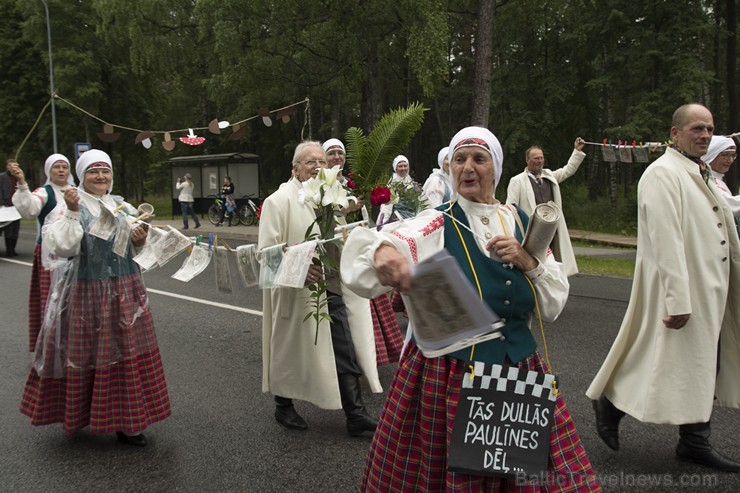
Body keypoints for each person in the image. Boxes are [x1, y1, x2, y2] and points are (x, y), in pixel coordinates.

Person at [342, 126, 599, 491]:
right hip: (450, 373)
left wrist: (530, 261)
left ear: (495, 167)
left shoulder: (522, 223)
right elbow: (386, 242)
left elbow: (554, 304)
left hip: (518, 372)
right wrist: (382, 252)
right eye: (459, 159)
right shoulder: (438, 220)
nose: (467, 167)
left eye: (478, 159)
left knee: (531, 473)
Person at [587, 104, 740, 472]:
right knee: (661, 357)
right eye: (696, 128)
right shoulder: (662, 173)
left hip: (712, 288)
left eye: (709, 129)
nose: (704, 135)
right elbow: (665, 239)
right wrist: (678, 298)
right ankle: (611, 404)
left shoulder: (698, 171)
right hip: (687, 289)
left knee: (702, 362)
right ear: (674, 134)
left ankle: (693, 442)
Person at [19, 149, 171, 447]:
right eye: (93, 171)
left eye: (105, 170)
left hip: (127, 290)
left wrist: (140, 240)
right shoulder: (70, 204)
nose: (100, 176)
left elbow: (138, 250)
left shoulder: (122, 206)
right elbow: (62, 247)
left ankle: (128, 423)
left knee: (127, 352)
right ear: (82, 175)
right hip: (87, 292)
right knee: (89, 354)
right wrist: (74, 212)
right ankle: (79, 415)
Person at [258, 141, 380, 436]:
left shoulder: (329, 198)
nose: (318, 167)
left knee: (343, 348)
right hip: (295, 290)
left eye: (323, 162)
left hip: (332, 284)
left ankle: (356, 414)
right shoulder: (278, 201)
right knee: (290, 352)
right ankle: (283, 405)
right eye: (311, 162)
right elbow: (265, 254)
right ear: (295, 169)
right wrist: (298, 269)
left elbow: (339, 237)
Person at [322, 138, 404, 365]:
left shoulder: (351, 182)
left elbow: (364, 215)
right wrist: (347, 208)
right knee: (345, 308)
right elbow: (322, 218)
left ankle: (370, 357)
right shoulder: (321, 185)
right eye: (332, 153)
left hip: (356, 248)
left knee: (366, 306)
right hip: (336, 253)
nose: (337, 156)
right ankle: (347, 359)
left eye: (340, 152)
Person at [11, 154, 76, 352]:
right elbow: (29, 210)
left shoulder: (76, 191)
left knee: (73, 299)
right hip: (51, 256)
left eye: (64, 167)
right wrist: (22, 183)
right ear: (49, 171)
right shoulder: (44, 192)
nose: (61, 170)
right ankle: (52, 346)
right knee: (53, 299)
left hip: (74, 253)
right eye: (57, 167)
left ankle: (73, 343)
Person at [506, 138, 586, 276]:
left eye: (541, 158)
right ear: (527, 160)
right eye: (536, 158)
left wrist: (577, 151)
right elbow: (511, 208)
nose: (540, 161)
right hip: (531, 233)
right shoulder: (517, 181)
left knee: (553, 266)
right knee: (533, 268)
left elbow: (568, 170)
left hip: (552, 232)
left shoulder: (549, 175)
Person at [703, 135, 739, 228]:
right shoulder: (705, 180)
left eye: (732, 155)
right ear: (711, 154)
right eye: (725, 155)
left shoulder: (718, 179)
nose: (730, 160)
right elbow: (728, 205)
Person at [0, 159, 22, 257]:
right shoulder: (2, 177)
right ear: (7, 167)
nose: (12, 167)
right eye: (10, 165)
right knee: (8, 229)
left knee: (15, 230)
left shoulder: (19, 176)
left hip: (17, 206)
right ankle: (8, 249)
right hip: (6, 206)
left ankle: (13, 248)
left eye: (14, 165)